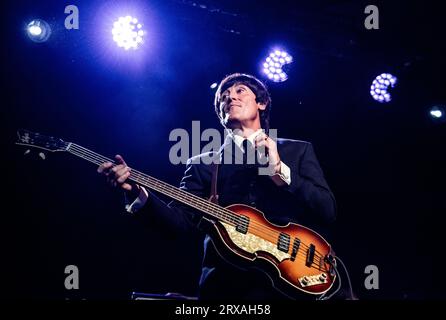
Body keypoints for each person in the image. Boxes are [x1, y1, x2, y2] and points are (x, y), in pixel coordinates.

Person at [97, 73, 337, 300]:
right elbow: (179, 223)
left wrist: (280, 171)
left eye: (240, 91)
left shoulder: (297, 150)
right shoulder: (203, 164)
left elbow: (327, 210)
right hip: (225, 288)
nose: (230, 97)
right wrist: (137, 193)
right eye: (224, 96)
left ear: (261, 103)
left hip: (293, 286)